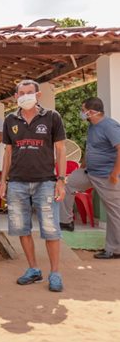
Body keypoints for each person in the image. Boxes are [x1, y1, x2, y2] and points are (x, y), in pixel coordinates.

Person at [0, 79, 67, 292]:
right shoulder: (10, 120)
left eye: (29, 92)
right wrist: (3, 181)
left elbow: (61, 150)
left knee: (51, 230)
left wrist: (61, 180)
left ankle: (55, 273)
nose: (25, 96)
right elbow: (8, 152)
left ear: (38, 95)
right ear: (16, 97)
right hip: (17, 182)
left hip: (46, 182)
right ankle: (33, 270)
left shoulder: (52, 117)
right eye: (21, 93)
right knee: (22, 228)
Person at [60, 97, 120, 258]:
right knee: (67, 184)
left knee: (114, 212)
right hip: (89, 172)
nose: (81, 112)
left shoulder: (109, 126)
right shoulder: (92, 126)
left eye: (83, 109)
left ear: (92, 112)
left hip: (106, 175)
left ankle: (115, 250)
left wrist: (115, 173)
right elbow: (91, 147)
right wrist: (83, 165)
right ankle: (66, 221)